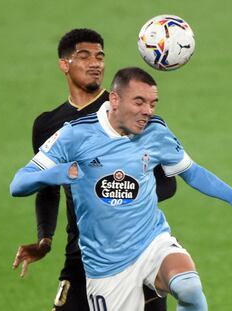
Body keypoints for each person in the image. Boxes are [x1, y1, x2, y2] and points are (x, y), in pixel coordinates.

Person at [10, 67, 232, 310]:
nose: (147, 111)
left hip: (151, 241)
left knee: (189, 287)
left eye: (153, 103)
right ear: (115, 99)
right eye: (139, 102)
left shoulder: (156, 133)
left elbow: (191, 171)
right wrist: (59, 172)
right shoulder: (75, 134)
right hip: (107, 266)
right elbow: (18, 183)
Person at [11, 29, 175, 311]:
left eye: (100, 56)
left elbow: (167, 184)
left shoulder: (128, 112)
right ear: (65, 64)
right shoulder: (49, 125)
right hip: (81, 253)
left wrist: (113, 198)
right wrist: (44, 239)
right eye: (84, 56)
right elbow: (47, 188)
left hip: (135, 251)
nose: (95, 63)